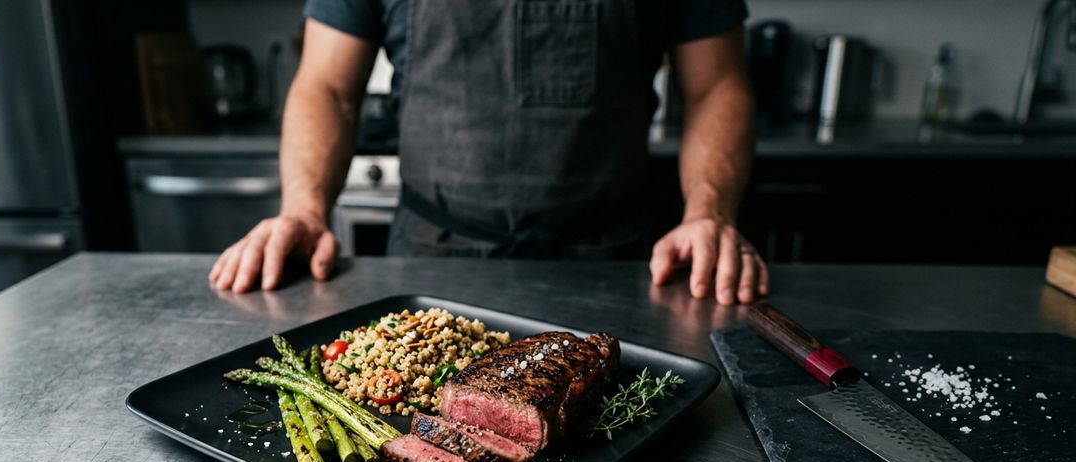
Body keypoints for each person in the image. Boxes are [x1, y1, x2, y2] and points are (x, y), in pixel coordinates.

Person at [209, 0, 769, 305]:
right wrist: (305, 209)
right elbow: (327, 87)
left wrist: (709, 213)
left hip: (623, 264)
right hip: (431, 259)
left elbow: (716, 85)